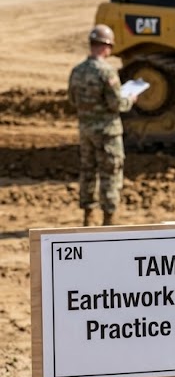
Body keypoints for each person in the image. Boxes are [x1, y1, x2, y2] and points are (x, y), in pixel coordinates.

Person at [68, 24, 136, 226]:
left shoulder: (77, 71)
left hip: (86, 130)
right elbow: (116, 104)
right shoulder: (107, 72)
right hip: (108, 131)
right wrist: (130, 99)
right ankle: (109, 219)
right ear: (107, 47)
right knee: (111, 173)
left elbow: (72, 100)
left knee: (88, 170)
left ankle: (88, 216)